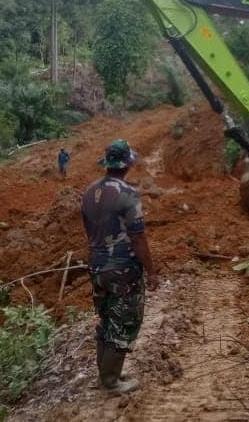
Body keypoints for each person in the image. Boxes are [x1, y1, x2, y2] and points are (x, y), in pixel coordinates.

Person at [81, 139, 160, 394]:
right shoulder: (127, 195)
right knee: (124, 321)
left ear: (108, 163)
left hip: (96, 267)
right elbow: (138, 238)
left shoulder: (90, 192)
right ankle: (111, 381)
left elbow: (89, 231)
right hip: (122, 270)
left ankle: (106, 373)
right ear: (127, 164)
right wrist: (151, 271)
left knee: (105, 320)